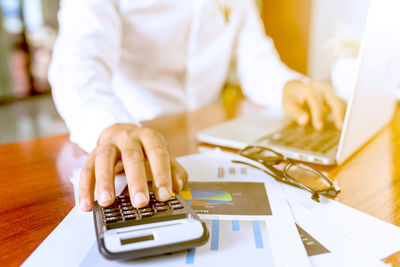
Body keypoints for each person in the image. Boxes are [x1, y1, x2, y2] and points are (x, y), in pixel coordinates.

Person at [49, 0, 346, 211]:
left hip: (209, 141)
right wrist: (109, 123)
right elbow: (78, 62)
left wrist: (288, 85)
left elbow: (254, 58)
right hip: (128, 144)